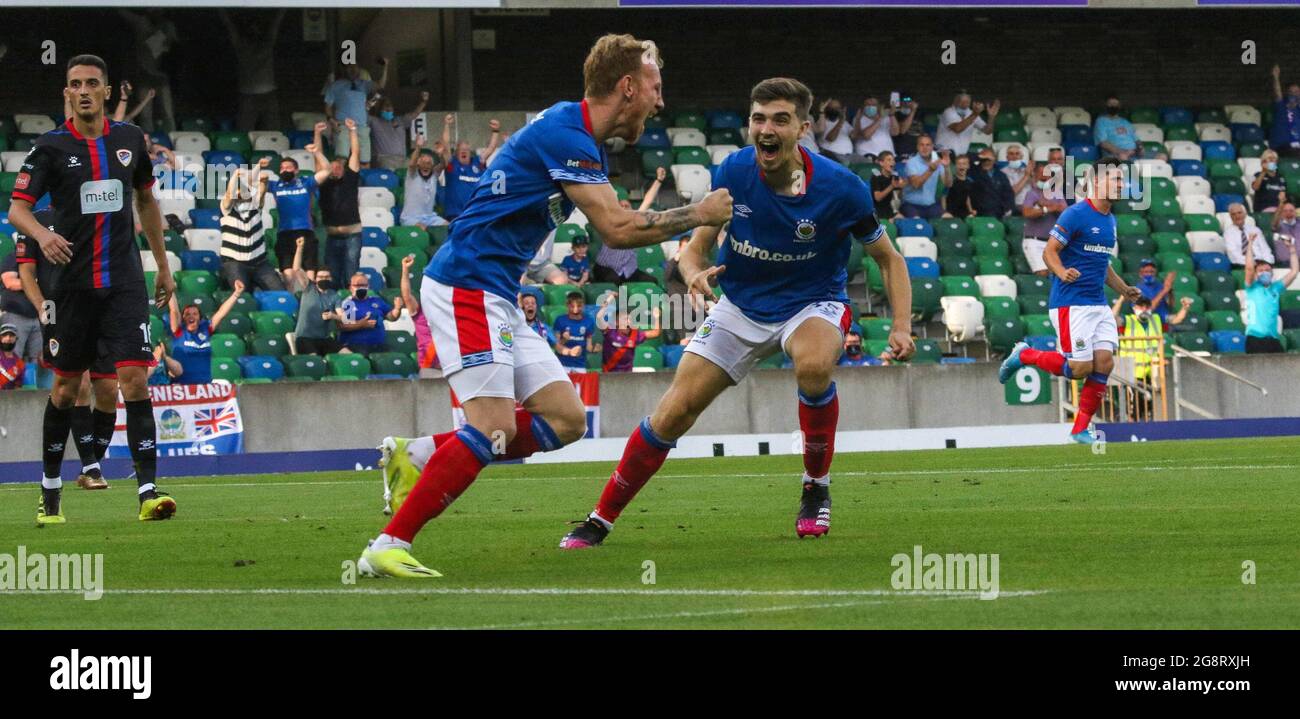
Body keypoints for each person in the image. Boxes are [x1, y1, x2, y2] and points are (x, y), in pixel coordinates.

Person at [358, 34, 732, 577]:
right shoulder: (567, 134)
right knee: (490, 430)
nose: (660, 100)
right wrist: (700, 211)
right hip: (467, 283)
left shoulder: (573, 131)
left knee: (565, 420)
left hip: (497, 292)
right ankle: (387, 545)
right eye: (655, 86)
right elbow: (617, 230)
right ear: (628, 86)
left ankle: (416, 456)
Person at [559, 76, 914, 550]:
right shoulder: (733, 172)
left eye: (780, 120)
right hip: (741, 305)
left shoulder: (842, 188)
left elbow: (889, 259)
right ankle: (599, 518)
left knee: (812, 366)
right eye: (759, 119)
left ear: (802, 128)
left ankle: (816, 485)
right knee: (673, 413)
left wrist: (902, 325)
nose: (767, 129)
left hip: (812, 302)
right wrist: (692, 273)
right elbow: (695, 250)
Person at [7, 54, 178, 523]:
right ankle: (50, 492)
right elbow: (17, 209)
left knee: (135, 380)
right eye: (75, 84)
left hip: (123, 281)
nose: (83, 90)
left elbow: (146, 200)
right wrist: (43, 235)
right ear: (67, 93)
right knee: (64, 388)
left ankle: (148, 492)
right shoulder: (50, 147)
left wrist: (161, 267)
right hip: (73, 287)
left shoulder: (129, 140)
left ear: (106, 92)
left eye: (92, 84)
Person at [1000, 158, 1144, 444]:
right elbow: (1049, 252)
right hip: (1071, 303)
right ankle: (1025, 355)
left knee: (1104, 363)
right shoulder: (1075, 214)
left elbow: (1103, 264)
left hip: (1098, 303)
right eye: (1115, 179)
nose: (1120, 185)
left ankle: (1079, 428)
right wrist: (1062, 271)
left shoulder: (1109, 220)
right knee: (1079, 369)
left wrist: (1123, 289)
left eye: (1121, 180)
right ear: (1096, 182)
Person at [16, 208, 120, 490]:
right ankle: (91, 467)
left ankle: (91, 464)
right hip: (61, 311)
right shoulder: (34, 222)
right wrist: (41, 306)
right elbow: (26, 271)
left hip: (99, 308)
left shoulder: (93, 214)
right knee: (79, 383)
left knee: (109, 391)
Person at [219, 157, 285, 292]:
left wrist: (261, 173)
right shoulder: (227, 209)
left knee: (279, 292)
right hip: (234, 262)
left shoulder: (256, 207)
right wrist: (235, 175)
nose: (240, 192)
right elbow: (228, 195)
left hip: (260, 262)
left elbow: (262, 188)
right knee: (241, 294)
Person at [311, 119, 363, 286]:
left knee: (350, 276)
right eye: (331, 167)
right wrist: (317, 133)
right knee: (331, 278)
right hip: (332, 237)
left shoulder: (351, 177)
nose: (335, 169)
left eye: (338, 167)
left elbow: (355, 152)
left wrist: (352, 130)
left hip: (352, 236)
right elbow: (316, 156)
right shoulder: (323, 181)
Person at [594, 166, 666, 284]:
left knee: (652, 281)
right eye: (620, 206)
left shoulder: (634, 222)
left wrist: (659, 180)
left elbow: (647, 201)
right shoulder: (610, 221)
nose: (623, 208)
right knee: (615, 282)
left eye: (626, 206)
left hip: (628, 271)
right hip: (605, 269)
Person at [219, 8, 288, 132]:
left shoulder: (265, 45)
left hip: (265, 93)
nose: (254, 32)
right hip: (249, 95)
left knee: (273, 131)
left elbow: (275, 25)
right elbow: (230, 27)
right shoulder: (243, 47)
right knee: (245, 131)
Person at [167, 280, 244, 384]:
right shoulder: (179, 331)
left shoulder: (205, 329)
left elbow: (221, 313)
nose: (191, 316)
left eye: (195, 314)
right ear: (183, 318)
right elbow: (174, 310)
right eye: (187, 314)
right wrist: (169, 290)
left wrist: (236, 294)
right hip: (182, 387)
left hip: (205, 386)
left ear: (200, 318)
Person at [268, 150, 330, 277]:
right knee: (288, 274)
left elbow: (326, 171)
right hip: (284, 233)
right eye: (282, 168)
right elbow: (250, 182)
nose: (285, 170)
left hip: (305, 231)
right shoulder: (275, 185)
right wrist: (259, 167)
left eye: (288, 167)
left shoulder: (305, 183)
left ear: (296, 170)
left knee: (310, 273)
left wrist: (317, 153)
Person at [438, 114, 503, 221]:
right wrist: (446, 125)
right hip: (456, 215)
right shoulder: (452, 164)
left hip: (476, 213)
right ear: (456, 153)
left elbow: (491, 149)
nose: (464, 152)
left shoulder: (478, 163)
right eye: (461, 150)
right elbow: (446, 146)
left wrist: (495, 131)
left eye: (466, 150)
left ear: (470, 152)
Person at [285, 237, 342, 357]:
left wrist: (333, 316)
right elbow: (296, 269)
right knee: (315, 361)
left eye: (326, 277)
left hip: (324, 339)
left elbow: (343, 317)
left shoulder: (335, 296)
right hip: (305, 339)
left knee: (348, 355)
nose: (323, 279)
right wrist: (300, 248)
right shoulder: (309, 287)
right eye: (320, 277)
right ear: (315, 279)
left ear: (330, 279)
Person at [324, 59, 387, 168]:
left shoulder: (364, 84)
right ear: (344, 69)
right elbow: (328, 107)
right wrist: (331, 121)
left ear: (359, 69)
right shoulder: (335, 85)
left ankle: (364, 184)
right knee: (341, 158)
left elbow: (380, 85)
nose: (352, 69)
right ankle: (339, 183)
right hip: (343, 125)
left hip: (361, 126)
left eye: (355, 66)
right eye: (349, 67)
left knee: (365, 161)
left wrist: (386, 66)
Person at [1243, 234, 1299, 353]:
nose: (1265, 273)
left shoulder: (1275, 288)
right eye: (1261, 271)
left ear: (1272, 273)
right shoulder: (1252, 287)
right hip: (1255, 338)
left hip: (1273, 338)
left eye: (1268, 270)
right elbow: (1249, 268)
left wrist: (1292, 249)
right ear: (1256, 274)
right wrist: (1250, 244)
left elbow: (1294, 272)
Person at [337, 271, 402, 355]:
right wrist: (361, 324)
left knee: (394, 359)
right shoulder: (347, 303)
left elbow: (392, 317)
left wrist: (397, 308)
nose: (361, 288)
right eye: (357, 285)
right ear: (350, 287)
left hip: (379, 345)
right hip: (355, 345)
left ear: (368, 286)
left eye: (364, 285)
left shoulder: (377, 301)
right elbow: (342, 326)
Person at [370, 91, 429, 171]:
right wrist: (376, 97)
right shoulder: (374, 121)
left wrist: (424, 101)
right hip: (384, 159)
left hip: (403, 159)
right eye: (385, 107)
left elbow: (415, 113)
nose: (388, 108)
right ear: (380, 109)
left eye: (390, 106)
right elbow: (362, 112)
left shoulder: (400, 120)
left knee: (414, 172)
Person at [398, 137, 448, 230]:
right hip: (410, 218)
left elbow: (443, 165)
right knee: (423, 229)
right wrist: (418, 148)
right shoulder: (412, 174)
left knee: (450, 227)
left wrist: (440, 155)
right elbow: (411, 164)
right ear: (418, 163)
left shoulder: (434, 174)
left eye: (429, 162)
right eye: (423, 162)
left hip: (430, 217)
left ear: (432, 164)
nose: (426, 164)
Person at [600, 298, 660, 373]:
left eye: (630, 319)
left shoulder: (635, 334)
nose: (629, 321)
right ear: (617, 322)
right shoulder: (609, 332)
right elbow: (599, 318)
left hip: (628, 376)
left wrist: (657, 317)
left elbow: (655, 333)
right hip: (609, 374)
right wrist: (607, 303)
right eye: (625, 319)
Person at [898, 134, 951, 219]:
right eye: (921, 145)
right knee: (918, 224)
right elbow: (916, 184)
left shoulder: (936, 161)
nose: (925, 148)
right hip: (911, 205)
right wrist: (930, 170)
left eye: (928, 145)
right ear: (917, 147)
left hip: (931, 205)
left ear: (932, 147)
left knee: (949, 219)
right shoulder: (911, 163)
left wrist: (947, 167)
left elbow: (948, 184)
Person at [398, 254, 435, 369]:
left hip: (450, 364)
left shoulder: (448, 311)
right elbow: (407, 295)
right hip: (429, 364)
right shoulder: (419, 313)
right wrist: (405, 269)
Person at [851, 95, 913, 162]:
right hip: (869, 157)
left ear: (879, 106)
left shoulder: (886, 118)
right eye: (868, 104)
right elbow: (866, 135)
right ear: (863, 107)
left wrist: (891, 115)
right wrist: (880, 118)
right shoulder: (859, 119)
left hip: (889, 157)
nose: (870, 107)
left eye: (874, 105)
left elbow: (895, 132)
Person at [936, 92, 999, 156]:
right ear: (955, 101)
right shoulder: (948, 112)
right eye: (961, 101)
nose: (964, 104)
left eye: (967, 102)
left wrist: (991, 117)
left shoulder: (970, 113)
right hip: (943, 153)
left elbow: (987, 131)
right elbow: (957, 129)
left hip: (961, 155)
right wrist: (975, 114)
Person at [553, 291, 597, 372]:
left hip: (580, 365)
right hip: (562, 365)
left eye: (579, 306)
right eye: (572, 306)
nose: (575, 310)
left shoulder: (589, 321)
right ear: (567, 305)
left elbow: (588, 347)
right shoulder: (560, 320)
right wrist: (564, 340)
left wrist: (595, 348)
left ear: (583, 305)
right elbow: (556, 346)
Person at [1223, 202, 1274, 267]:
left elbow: (1265, 249)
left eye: (1239, 213)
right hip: (1243, 265)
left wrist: (1266, 262)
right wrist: (1251, 262)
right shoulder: (1228, 233)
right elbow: (1233, 255)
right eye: (1233, 214)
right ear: (1230, 217)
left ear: (1245, 214)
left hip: (1261, 263)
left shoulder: (1255, 230)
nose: (1237, 216)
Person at [971, 147, 1015, 218]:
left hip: (1000, 212)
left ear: (994, 160)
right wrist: (979, 156)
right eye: (984, 160)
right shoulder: (974, 172)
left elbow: (1009, 194)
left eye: (989, 160)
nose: (986, 162)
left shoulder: (1001, 175)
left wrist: (1007, 208)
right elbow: (967, 158)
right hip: (981, 213)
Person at [1094, 94, 1139, 161]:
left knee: (1160, 156)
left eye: (1115, 103)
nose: (1113, 106)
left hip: (1134, 153)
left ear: (1119, 106)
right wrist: (1123, 152)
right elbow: (1103, 143)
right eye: (1110, 103)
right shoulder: (1101, 121)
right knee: (1123, 158)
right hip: (1114, 154)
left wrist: (1140, 148)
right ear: (1106, 105)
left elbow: (1136, 139)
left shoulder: (1125, 122)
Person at [1270, 64, 1300, 158]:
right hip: (1282, 146)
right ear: (1287, 93)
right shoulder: (1281, 105)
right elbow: (1277, 92)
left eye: (1297, 92)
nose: (1294, 95)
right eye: (1292, 92)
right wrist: (1276, 77)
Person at [813, 97, 853, 164]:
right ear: (826, 108)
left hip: (850, 155)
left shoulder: (845, 123)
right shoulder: (822, 122)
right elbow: (831, 138)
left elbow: (855, 135)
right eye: (832, 107)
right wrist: (841, 121)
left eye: (837, 108)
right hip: (834, 155)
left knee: (868, 163)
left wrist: (858, 118)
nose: (834, 110)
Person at [870, 151, 903, 220]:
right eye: (889, 160)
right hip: (879, 212)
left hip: (891, 210)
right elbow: (878, 198)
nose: (892, 162)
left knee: (904, 222)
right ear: (881, 163)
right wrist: (892, 186)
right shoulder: (876, 177)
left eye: (893, 160)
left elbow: (898, 199)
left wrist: (901, 187)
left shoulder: (894, 177)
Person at [945, 154, 975, 219]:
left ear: (968, 166)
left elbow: (967, 197)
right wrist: (944, 211)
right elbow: (943, 197)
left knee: (972, 219)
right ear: (955, 166)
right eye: (959, 164)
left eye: (964, 164)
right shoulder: (952, 179)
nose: (961, 166)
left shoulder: (969, 181)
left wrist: (970, 210)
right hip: (951, 211)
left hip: (963, 211)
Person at [0, 323, 25, 389]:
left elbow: (18, 387)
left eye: (11, 336)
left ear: (16, 339)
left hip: (8, 397)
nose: (8, 338)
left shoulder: (20, 364)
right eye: (4, 335)